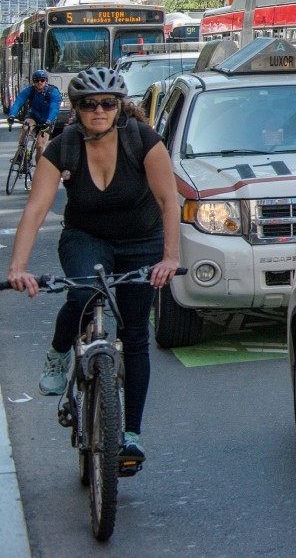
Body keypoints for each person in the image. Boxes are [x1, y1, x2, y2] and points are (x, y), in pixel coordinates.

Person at [4, 66, 180, 471]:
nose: (98, 111)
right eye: (88, 104)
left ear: (119, 107)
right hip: (86, 236)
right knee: (82, 293)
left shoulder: (144, 141)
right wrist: (19, 267)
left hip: (142, 240)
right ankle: (58, 352)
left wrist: (170, 257)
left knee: (135, 334)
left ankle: (130, 435)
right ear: (77, 109)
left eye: (106, 103)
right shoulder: (64, 147)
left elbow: (170, 201)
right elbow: (36, 208)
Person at [8, 69, 62, 158]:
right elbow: (18, 102)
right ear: (33, 82)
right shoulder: (29, 90)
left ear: (46, 81)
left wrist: (49, 120)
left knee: (40, 146)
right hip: (34, 115)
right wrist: (12, 115)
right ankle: (21, 152)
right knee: (26, 127)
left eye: (42, 80)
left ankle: (38, 169)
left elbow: (54, 109)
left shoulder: (53, 92)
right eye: (36, 80)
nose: (39, 82)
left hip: (47, 119)